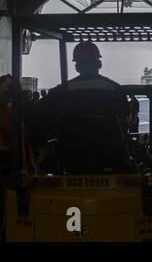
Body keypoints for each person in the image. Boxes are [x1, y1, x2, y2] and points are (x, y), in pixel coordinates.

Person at [33, 41, 130, 173]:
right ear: (99, 64)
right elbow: (125, 121)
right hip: (111, 157)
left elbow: (38, 116)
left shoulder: (61, 91)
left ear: (77, 66)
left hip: (71, 159)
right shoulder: (116, 90)